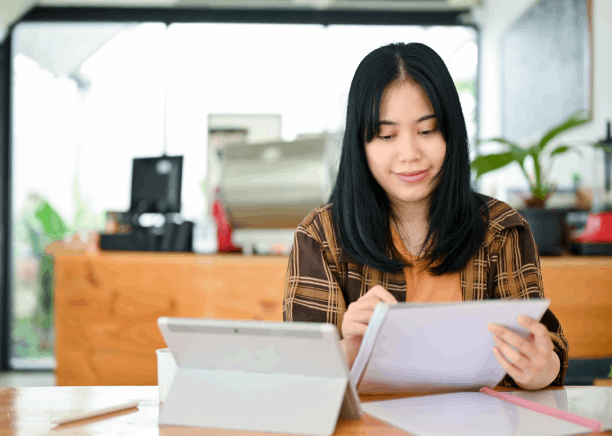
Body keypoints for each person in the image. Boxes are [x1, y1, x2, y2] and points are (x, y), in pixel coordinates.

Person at [283, 42, 568, 391]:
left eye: (427, 130)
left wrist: (543, 368)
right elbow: (298, 380)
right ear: (360, 144)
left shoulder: (501, 229)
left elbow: (544, 344)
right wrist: (351, 349)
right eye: (386, 135)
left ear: (452, 132)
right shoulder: (321, 236)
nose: (409, 154)